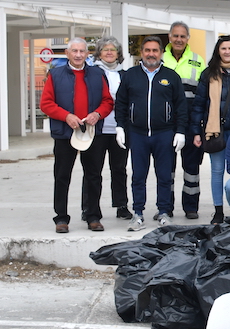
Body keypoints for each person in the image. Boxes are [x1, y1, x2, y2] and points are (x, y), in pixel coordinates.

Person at [40, 38, 114, 233]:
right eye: (75, 51)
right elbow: (46, 103)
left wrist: (97, 114)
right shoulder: (55, 75)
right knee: (62, 176)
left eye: (82, 51)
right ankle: (61, 219)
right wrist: (66, 116)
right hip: (65, 134)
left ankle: (93, 216)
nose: (79, 55)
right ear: (67, 53)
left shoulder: (98, 74)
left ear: (87, 54)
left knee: (93, 176)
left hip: (91, 133)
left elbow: (108, 101)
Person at [115, 36, 187, 231]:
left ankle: (164, 212)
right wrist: (120, 127)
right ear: (142, 52)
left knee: (164, 175)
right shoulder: (131, 75)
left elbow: (181, 106)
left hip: (164, 134)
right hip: (137, 134)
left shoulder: (171, 76)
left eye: (155, 50)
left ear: (161, 53)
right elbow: (120, 103)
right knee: (138, 175)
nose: (151, 54)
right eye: (147, 50)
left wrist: (180, 131)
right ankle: (137, 213)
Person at [191, 36, 230, 225]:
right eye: (223, 48)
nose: (227, 52)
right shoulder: (208, 74)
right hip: (215, 131)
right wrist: (195, 131)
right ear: (218, 51)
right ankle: (218, 210)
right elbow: (199, 104)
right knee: (217, 171)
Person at [161, 21, 205, 219]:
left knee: (191, 167)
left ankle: (191, 207)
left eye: (183, 36)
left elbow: (204, 96)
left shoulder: (198, 61)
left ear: (188, 38)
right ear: (169, 37)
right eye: (175, 36)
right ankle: (165, 206)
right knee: (166, 168)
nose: (179, 39)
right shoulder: (159, 59)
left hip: (190, 123)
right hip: (165, 124)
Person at [92, 37, 131, 221]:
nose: (109, 52)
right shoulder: (92, 73)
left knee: (119, 169)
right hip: (97, 129)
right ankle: (90, 209)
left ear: (119, 53)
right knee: (93, 171)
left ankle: (121, 205)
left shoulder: (124, 74)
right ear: (99, 52)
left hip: (119, 129)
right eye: (105, 49)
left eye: (113, 49)